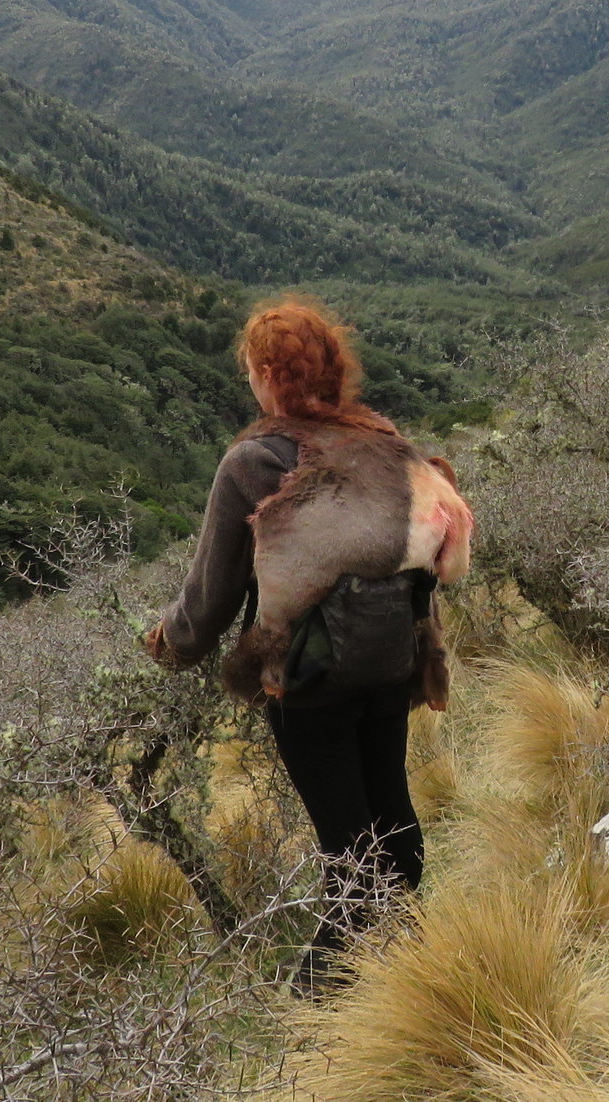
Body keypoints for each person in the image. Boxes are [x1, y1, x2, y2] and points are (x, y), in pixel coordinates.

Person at [144, 297, 472, 988]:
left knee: (346, 848)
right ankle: (408, 972)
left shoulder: (254, 462)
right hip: (391, 665)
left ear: (267, 373)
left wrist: (168, 645)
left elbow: (211, 598)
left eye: (252, 371)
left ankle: (319, 1003)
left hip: (307, 679)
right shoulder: (385, 442)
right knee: (392, 821)